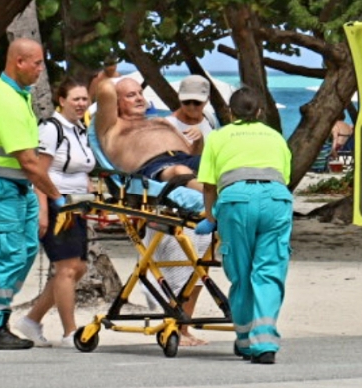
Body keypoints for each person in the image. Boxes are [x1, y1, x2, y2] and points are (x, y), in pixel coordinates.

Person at [0, 38, 65, 351]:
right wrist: (57, 197)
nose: (41, 69)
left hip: (15, 185)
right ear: (19, 62)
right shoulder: (8, 102)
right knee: (11, 254)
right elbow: (28, 162)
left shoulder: (18, 92)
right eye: (36, 63)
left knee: (24, 252)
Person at [195, 87, 293, 365]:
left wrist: (211, 216)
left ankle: (244, 338)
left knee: (241, 273)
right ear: (260, 112)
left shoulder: (217, 137)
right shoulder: (275, 137)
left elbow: (209, 185)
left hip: (236, 201)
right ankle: (265, 344)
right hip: (275, 200)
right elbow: (282, 176)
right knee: (269, 271)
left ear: (230, 112)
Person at [14, 78, 95, 348]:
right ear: (61, 100)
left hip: (77, 205)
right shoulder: (51, 129)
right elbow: (39, 172)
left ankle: (32, 320)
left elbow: (83, 168)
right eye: (76, 99)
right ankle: (70, 332)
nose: (81, 104)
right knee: (67, 268)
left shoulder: (81, 129)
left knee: (78, 267)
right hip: (56, 203)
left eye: (85, 99)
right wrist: (43, 212)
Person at [141, 75, 219, 346]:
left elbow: (211, 161)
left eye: (197, 103)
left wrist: (202, 143)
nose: (192, 108)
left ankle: (184, 327)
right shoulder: (165, 125)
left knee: (198, 270)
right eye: (187, 102)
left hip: (203, 204)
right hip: (176, 201)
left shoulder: (209, 123)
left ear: (206, 101)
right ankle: (171, 324)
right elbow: (165, 166)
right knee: (173, 265)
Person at [94, 77, 203, 191]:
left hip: (184, 158)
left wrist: (198, 140)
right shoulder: (112, 127)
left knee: (217, 160)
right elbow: (105, 88)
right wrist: (118, 79)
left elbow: (192, 153)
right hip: (153, 167)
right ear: (116, 102)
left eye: (140, 93)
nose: (139, 98)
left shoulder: (160, 121)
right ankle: (214, 199)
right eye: (131, 95)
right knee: (179, 170)